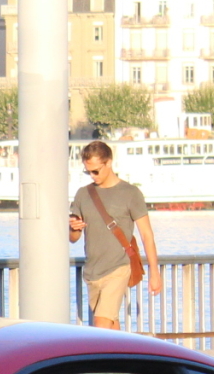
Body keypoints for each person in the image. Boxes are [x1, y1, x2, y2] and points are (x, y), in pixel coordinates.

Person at [66, 139, 162, 329]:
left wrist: (155, 273)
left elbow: (146, 235)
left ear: (109, 162)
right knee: (111, 325)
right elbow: (73, 238)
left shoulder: (130, 193)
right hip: (93, 271)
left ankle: (100, 360)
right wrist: (74, 228)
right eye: (88, 171)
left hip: (119, 267)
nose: (92, 176)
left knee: (101, 324)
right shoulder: (83, 194)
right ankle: (122, 358)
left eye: (96, 171)